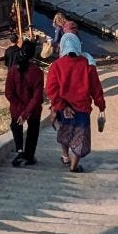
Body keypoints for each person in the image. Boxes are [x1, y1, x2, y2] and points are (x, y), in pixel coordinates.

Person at [46, 32, 106, 173]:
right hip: (82, 110)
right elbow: (96, 88)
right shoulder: (88, 65)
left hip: (64, 109)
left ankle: (65, 156)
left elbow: (50, 90)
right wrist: (101, 106)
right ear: (78, 46)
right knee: (80, 138)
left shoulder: (56, 66)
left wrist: (62, 105)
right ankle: (74, 166)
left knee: (65, 132)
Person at [4, 42, 44, 167]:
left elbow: (9, 93)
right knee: (33, 131)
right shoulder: (37, 72)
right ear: (33, 55)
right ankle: (29, 156)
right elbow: (37, 97)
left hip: (16, 109)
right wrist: (26, 112)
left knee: (16, 127)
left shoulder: (12, 71)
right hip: (33, 110)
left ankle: (20, 150)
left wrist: (21, 110)